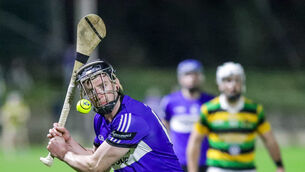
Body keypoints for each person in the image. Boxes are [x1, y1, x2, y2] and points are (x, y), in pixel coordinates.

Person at [46, 60, 183, 172]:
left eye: (103, 85)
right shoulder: (100, 119)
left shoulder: (131, 118)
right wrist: (69, 143)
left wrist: (64, 154)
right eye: (91, 91)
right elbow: (98, 158)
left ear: (116, 84)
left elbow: (95, 167)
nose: (98, 93)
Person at [187, 62, 285, 172]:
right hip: (218, 169)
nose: (232, 85)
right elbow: (195, 142)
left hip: (247, 169)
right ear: (219, 84)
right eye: (227, 80)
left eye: (237, 80)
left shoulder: (255, 110)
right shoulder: (209, 110)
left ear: (242, 83)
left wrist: (279, 165)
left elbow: (269, 140)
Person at [160, 59, 214, 171]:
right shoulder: (169, 101)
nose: (192, 78)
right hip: (178, 162)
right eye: (187, 74)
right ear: (180, 78)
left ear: (201, 77)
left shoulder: (211, 102)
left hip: (207, 162)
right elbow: (163, 132)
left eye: (195, 74)